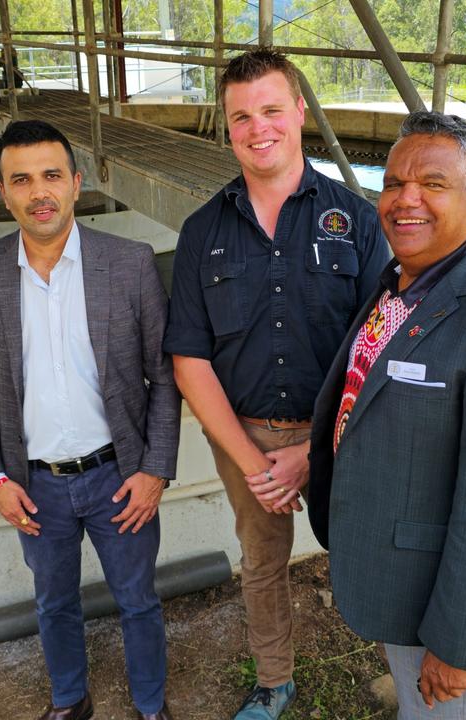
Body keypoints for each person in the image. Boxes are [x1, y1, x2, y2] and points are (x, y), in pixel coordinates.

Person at [306, 111, 466, 719]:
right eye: (393, 183)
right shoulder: (404, 279)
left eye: (432, 185)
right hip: (401, 574)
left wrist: (456, 640)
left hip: (444, 605)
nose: (405, 200)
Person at [163, 49, 388, 719]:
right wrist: (253, 460)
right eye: (240, 116)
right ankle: (274, 680)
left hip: (345, 428)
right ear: (225, 127)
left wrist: (315, 447)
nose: (257, 128)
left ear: (298, 112)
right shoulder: (202, 232)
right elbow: (190, 359)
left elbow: (379, 345)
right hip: (248, 439)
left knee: (379, 545)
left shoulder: (358, 219)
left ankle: (404, 663)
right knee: (261, 564)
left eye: (270, 109)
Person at [0, 119, 180, 720]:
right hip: (33, 485)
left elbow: (164, 375)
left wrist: (155, 468)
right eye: (21, 180)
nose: (39, 192)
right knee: (53, 602)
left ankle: (151, 707)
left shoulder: (129, 264)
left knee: (138, 601)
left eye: (52, 175)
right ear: (4, 193)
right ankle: (68, 701)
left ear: (78, 183)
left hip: (119, 476)